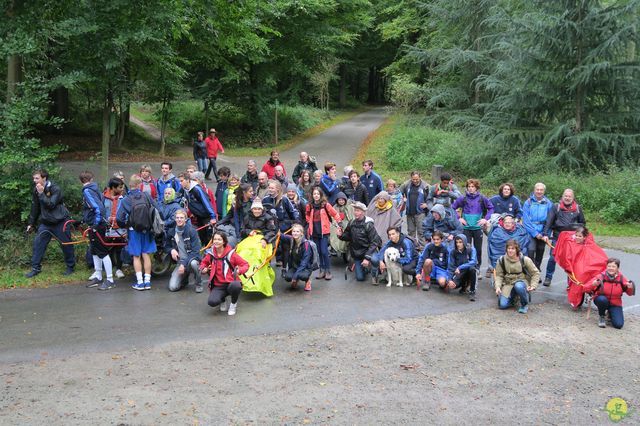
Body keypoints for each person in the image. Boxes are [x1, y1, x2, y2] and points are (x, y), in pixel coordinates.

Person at [25, 169, 75, 278]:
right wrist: (31, 223)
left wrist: (42, 194)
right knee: (38, 243)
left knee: (66, 244)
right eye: (34, 178)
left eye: (37, 178)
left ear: (44, 178)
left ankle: (70, 267)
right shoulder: (36, 190)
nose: (34, 180)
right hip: (46, 223)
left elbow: (51, 204)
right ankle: (35, 268)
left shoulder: (55, 188)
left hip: (61, 221)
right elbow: (35, 207)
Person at [116, 174, 158, 290]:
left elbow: (119, 218)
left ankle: (140, 282)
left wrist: (125, 225)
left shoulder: (126, 200)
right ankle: (148, 282)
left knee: (136, 256)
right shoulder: (146, 196)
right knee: (146, 255)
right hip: (147, 230)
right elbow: (156, 208)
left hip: (133, 230)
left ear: (130, 185)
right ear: (139, 185)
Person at [542, 188, 586, 287]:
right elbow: (549, 221)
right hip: (558, 237)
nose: (567, 198)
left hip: (572, 239)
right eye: (565, 196)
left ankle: (570, 282)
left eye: (569, 196)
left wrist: (581, 235)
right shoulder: (556, 207)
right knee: (553, 258)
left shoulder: (578, 208)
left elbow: (582, 223)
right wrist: (545, 234)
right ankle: (548, 277)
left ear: (573, 197)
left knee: (571, 261)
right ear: (562, 196)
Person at [451, 178, 494, 278]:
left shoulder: (482, 198)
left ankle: (477, 268)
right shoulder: (463, 198)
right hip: (466, 228)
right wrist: (459, 218)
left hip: (478, 228)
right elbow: (453, 207)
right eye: (469, 187)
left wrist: (485, 219)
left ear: (476, 188)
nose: (470, 189)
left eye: (473, 187)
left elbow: (491, 208)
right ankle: (467, 268)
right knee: (467, 248)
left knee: (478, 249)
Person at [200, 231, 250, 315]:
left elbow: (245, 264)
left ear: (224, 241)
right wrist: (203, 268)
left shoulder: (231, 254)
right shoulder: (211, 253)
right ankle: (222, 299)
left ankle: (233, 304)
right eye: (214, 239)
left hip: (230, 282)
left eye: (219, 239)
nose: (216, 241)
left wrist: (239, 271)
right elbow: (203, 263)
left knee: (236, 286)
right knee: (212, 302)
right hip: (218, 285)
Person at [79, 171, 114, 291]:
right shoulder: (95, 189)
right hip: (95, 224)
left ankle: (110, 279)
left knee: (102, 251)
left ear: (81, 181)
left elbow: (97, 208)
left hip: (97, 225)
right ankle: (98, 275)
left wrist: (95, 224)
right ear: (91, 179)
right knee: (94, 250)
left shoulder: (87, 191)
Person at [583, 258, 635, 329]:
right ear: (606, 267)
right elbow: (585, 288)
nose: (611, 268)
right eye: (609, 266)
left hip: (615, 304)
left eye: (613, 267)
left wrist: (630, 287)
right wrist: (593, 284)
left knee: (618, 325)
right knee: (602, 299)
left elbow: (630, 293)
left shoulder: (621, 278)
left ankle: (610, 313)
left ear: (617, 268)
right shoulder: (600, 276)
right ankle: (602, 316)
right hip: (601, 300)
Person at [337, 201, 381, 282]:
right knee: (360, 278)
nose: (355, 213)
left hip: (369, 251)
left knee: (375, 260)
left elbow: (375, 242)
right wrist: (340, 235)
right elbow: (348, 237)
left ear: (363, 212)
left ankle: (375, 274)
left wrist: (367, 258)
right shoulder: (351, 223)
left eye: (358, 211)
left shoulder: (369, 225)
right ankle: (365, 269)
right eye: (355, 210)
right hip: (357, 253)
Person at [494, 239, 540, 314]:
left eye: (513, 248)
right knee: (502, 305)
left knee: (518, 286)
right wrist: (498, 287)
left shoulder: (525, 259)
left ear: (517, 249)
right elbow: (499, 275)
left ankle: (524, 304)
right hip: (508, 283)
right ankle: (514, 298)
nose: (510, 250)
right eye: (508, 248)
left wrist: (533, 285)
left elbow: (535, 273)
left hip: (521, 281)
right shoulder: (501, 260)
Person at [305, 187, 342, 280]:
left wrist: (339, 222)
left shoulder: (326, 205)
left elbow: (334, 214)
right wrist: (309, 223)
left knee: (324, 252)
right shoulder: (310, 205)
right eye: (314, 194)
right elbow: (307, 214)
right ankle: (322, 270)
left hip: (324, 232)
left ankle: (328, 270)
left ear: (321, 195)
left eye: (318, 194)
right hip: (314, 232)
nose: (316, 196)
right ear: (312, 195)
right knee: (318, 252)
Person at [166, 209, 204, 293]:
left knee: (194, 264)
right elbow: (166, 246)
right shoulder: (171, 232)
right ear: (175, 219)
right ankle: (184, 279)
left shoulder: (192, 231)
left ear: (185, 219)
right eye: (177, 218)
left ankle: (199, 283)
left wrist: (183, 264)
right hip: (180, 262)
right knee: (173, 287)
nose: (179, 219)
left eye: (181, 218)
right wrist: (171, 250)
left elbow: (196, 252)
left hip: (191, 260)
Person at [262, 180, 300, 266]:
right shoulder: (265, 200)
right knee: (270, 247)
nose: (270, 189)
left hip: (284, 227)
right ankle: (268, 266)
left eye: (272, 188)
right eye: (269, 188)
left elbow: (293, 212)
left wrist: (296, 223)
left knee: (285, 247)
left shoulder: (284, 199)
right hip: (271, 228)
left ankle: (284, 267)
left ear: (278, 189)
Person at [522, 182, 553, 271]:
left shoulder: (548, 203)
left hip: (543, 231)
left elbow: (550, 220)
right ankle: (533, 271)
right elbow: (526, 221)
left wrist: (546, 234)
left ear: (544, 191)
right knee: (531, 251)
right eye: (537, 189)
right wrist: (535, 234)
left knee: (540, 251)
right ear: (534, 190)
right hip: (531, 232)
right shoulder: (528, 202)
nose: (539, 191)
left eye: (541, 190)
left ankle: (537, 269)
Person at [179, 172, 217, 245]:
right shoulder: (184, 190)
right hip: (198, 217)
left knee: (209, 239)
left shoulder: (196, 189)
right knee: (202, 237)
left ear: (187, 180)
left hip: (207, 217)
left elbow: (206, 202)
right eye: (179, 181)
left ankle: (211, 254)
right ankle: (205, 254)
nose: (180, 183)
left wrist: (213, 216)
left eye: (181, 181)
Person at [102, 177, 126, 280]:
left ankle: (118, 268)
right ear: (113, 187)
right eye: (120, 187)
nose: (122, 189)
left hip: (120, 228)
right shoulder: (103, 197)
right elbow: (101, 211)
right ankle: (109, 267)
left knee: (119, 248)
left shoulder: (123, 198)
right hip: (108, 228)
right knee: (109, 248)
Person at [282, 223, 315, 291]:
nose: (295, 233)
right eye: (294, 231)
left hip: (305, 267)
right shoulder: (291, 240)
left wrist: (295, 276)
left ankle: (307, 281)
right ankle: (296, 279)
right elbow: (280, 235)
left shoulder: (306, 244)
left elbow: (304, 262)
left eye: (297, 231)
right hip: (295, 266)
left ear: (301, 233)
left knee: (302, 276)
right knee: (287, 277)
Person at [399, 171, 429, 245]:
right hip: (410, 213)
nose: (415, 181)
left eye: (417, 179)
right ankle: (412, 248)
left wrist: (427, 204)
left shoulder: (426, 186)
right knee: (410, 233)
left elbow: (432, 197)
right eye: (413, 179)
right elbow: (398, 192)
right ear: (411, 178)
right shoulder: (406, 184)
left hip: (421, 213)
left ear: (420, 177)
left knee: (421, 232)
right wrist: (403, 198)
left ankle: (422, 249)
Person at [447, 234, 478, 301]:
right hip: (459, 272)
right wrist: (449, 280)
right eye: (457, 242)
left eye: (460, 242)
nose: (458, 244)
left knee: (472, 269)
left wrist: (460, 267)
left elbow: (473, 262)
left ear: (464, 242)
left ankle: (472, 291)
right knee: (453, 286)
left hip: (468, 270)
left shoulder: (471, 249)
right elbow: (451, 266)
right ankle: (463, 286)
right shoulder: (453, 251)